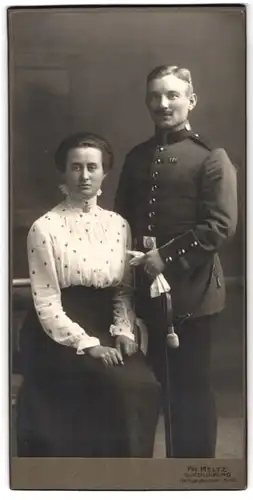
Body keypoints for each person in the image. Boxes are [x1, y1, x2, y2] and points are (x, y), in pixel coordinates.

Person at [114, 65, 238, 458]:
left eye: (172, 95)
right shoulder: (137, 157)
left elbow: (220, 226)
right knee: (151, 389)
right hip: (143, 293)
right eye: (155, 96)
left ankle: (193, 476)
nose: (163, 104)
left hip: (193, 293)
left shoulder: (211, 158)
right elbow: (122, 219)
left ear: (191, 101)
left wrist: (163, 256)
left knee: (190, 390)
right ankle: (154, 478)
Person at [16, 131, 161, 458]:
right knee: (109, 387)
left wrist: (123, 330)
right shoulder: (45, 227)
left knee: (142, 386)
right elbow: (47, 302)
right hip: (57, 332)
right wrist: (89, 345)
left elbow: (122, 290)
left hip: (106, 324)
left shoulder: (118, 225)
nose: (84, 176)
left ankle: (129, 480)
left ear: (104, 173)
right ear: (64, 172)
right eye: (76, 167)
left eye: (92, 167)